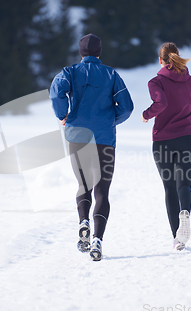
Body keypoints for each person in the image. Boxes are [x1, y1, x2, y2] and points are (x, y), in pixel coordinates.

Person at [50, 34, 133, 261]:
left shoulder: (70, 72)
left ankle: (83, 221)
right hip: (104, 138)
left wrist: (62, 115)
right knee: (102, 191)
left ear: (81, 52)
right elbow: (127, 107)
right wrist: (110, 120)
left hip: (77, 136)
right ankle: (97, 240)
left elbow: (57, 91)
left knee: (83, 184)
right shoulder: (111, 74)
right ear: (99, 52)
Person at [142, 42, 191, 251]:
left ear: (160, 60)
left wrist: (146, 114)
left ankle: (177, 238)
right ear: (176, 57)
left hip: (163, 142)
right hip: (188, 138)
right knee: (184, 185)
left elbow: (161, 104)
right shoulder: (190, 80)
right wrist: (184, 111)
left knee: (169, 189)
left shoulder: (156, 81)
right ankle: (185, 212)